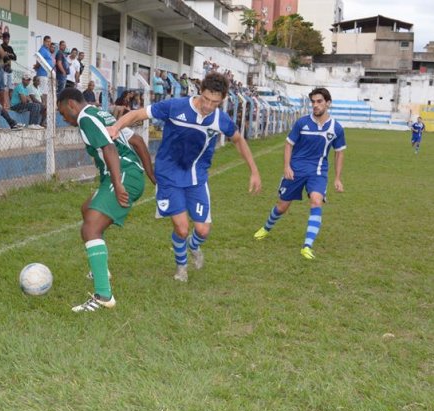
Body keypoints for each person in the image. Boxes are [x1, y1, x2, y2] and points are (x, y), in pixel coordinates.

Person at [108, 72, 262, 282]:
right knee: (181, 228)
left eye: (214, 102)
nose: (208, 105)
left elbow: (238, 140)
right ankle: (182, 268)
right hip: (169, 175)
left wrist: (254, 170)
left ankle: (194, 246)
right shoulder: (175, 106)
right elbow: (137, 114)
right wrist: (116, 127)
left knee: (203, 230)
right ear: (200, 92)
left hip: (196, 178)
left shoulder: (220, 119)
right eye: (206, 99)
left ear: (223, 99)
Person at [57, 88, 155, 312]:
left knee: (90, 228)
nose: (63, 118)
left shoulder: (86, 119)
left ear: (71, 104)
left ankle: (103, 295)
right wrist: (150, 173)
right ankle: (101, 268)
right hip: (127, 174)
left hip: (122, 175)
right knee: (87, 209)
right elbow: (138, 141)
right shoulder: (102, 114)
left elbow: (109, 148)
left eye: (62, 112)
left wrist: (119, 184)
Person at [253, 87, 346, 260]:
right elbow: (289, 144)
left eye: (319, 101)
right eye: (313, 102)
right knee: (282, 206)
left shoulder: (336, 128)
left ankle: (307, 246)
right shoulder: (302, 123)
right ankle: (266, 228)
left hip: (318, 172)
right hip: (295, 171)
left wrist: (338, 178)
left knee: (316, 201)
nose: (315, 105)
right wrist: (287, 166)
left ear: (328, 103)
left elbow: (339, 152)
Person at [35, 35, 53, 104]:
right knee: (43, 93)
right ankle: (43, 107)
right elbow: (39, 61)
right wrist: (36, 67)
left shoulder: (47, 50)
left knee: (46, 92)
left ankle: (45, 107)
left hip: (47, 74)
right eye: (47, 42)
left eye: (49, 42)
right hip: (42, 74)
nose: (48, 43)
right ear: (44, 41)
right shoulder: (42, 50)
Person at [1, 32, 17, 100]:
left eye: (8, 39)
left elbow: (15, 58)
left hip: (9, 70)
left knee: (11, 88)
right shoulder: (0, 47)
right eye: (6, 39)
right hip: (3, 69)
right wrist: (7, 55)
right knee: (4, 88)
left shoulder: (10, 48)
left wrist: (10, 55)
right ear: (3, 39)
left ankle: (11, 104)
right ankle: (3, 104)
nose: (7, 40)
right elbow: (1, 57)